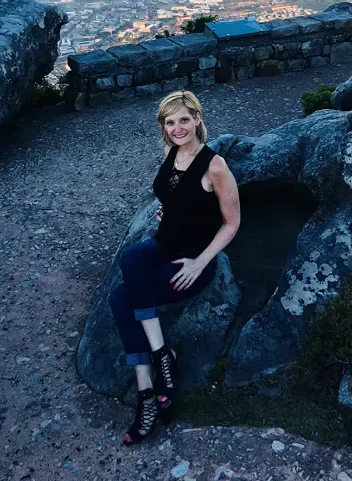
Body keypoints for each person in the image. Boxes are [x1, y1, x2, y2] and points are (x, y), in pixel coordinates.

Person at [109, 90, 241, 445]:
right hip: (163, 246)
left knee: (123, 300)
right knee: (131, 259)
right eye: (170, 122)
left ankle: (148, 390)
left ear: (197, 118)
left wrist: (201, 261)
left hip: (192, 260)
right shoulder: (169, 152)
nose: (177, 127)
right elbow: (174, 194)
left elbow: (232, 223)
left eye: (184, 119)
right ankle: (156, 369)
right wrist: (169, 208)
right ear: (163, 127)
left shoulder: (215, 166)